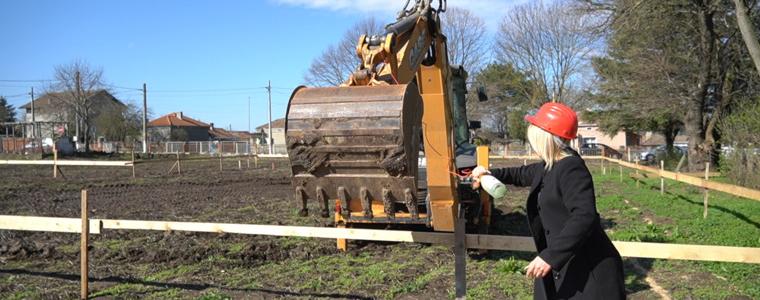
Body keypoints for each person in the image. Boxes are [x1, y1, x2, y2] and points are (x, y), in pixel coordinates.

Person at [471, 102, 625, 299]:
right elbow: (521, 174)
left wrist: (550, 256)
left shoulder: (571, 169)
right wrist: (489, 173)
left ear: (545, 137)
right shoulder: (551, 165)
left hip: (589, 273)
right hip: (566, 265)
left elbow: (585, 216)